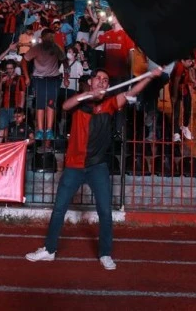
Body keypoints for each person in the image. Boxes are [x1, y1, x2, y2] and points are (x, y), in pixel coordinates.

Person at [25, 66, 163, 270]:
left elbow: (131, 92)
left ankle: (105, 254)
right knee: (59, 209)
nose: (102, 82)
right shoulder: (79, 101)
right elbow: (65, 106)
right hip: (74, 165)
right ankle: (49, 249)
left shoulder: (109, 103)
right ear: (91, 81)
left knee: (105, 212)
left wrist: (150, 76)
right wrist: (88, 94)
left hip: (97, 166)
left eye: (106, 80)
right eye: (98, 78)